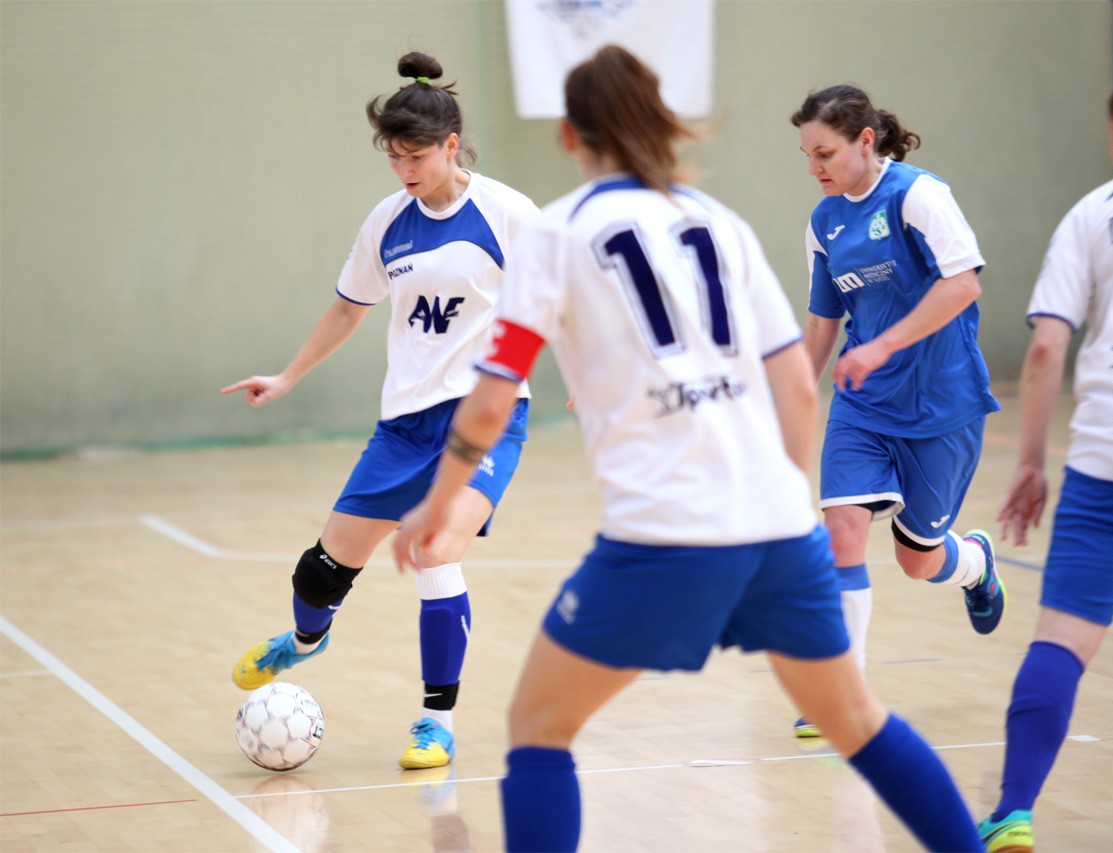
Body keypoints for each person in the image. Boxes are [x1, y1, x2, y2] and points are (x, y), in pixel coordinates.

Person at [393, 44, 984, 853]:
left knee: (536, 724)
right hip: (776, 527)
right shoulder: (718, 222)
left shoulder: (556, 233)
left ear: (568, 136)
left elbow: (494, 396)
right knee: (859, 722)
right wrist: (789, 508)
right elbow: (797, 385)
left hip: (661, 532)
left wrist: (436, 502)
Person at [221, 51, 540, 771]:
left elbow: (566, 291)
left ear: (451, 145)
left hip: (484, 417)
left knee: (436, 552)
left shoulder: (509, 214)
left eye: (416, 156)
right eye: (393, 157)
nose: (404, 169)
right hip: (403, 427)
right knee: (318, 575)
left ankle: (436, 722)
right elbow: (347, 308)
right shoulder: (387, 222)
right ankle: (305, 640)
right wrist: (288, 375)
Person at [977, 40, 1113, 853]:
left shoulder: (1093, 212)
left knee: (1064, 637)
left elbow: (1045, 349)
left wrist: (1029, 462)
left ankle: (1013, 812)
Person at [789, 84, 1006, 736]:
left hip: (943, 404)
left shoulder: (918, 196)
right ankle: (842, 694)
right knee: (842, 531)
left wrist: (883, 344)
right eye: (806, 155)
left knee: (919, 559)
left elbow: (962, 284)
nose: (815, 167)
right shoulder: (825, 223)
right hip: (864, 406)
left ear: (865, 140)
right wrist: (792, 404)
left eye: (825, 153)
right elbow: (822, 325)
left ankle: (974, 564)